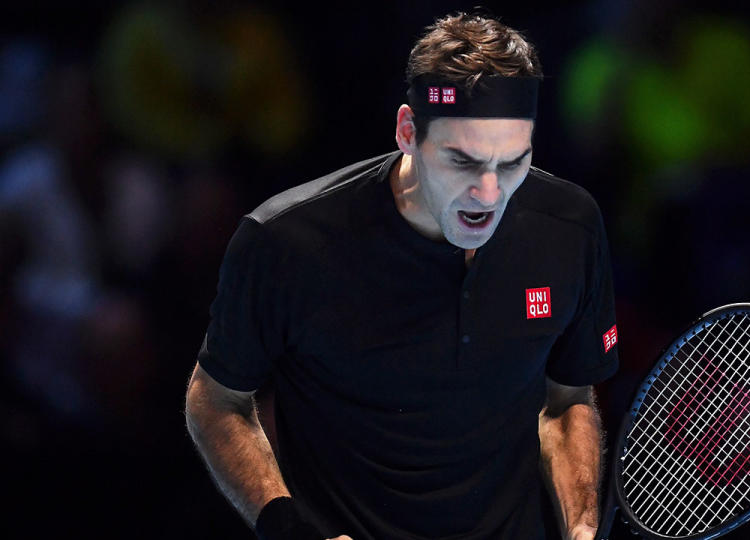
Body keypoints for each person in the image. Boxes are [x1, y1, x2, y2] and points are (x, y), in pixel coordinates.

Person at [184, 13, 619, 540]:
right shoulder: (285, 241)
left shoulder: (570, 227)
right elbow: (215, 400)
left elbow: (567, 401)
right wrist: (288, 528)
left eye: (512, 163)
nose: (489, 193)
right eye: (462, 160)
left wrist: (582, 526)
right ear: (409, 132)